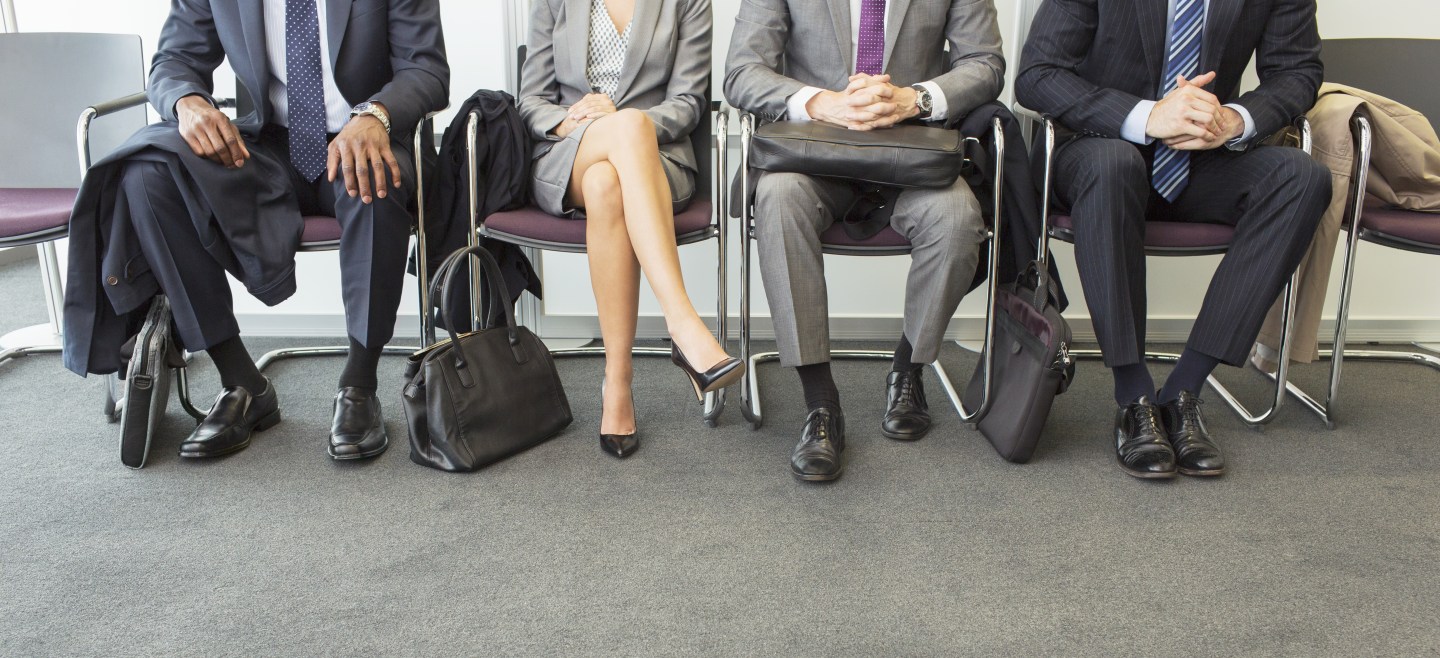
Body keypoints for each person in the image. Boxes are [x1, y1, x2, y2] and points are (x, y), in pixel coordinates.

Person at [63, 0, 449, 461]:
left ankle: (359, 385)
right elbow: (174, 61)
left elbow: (426, 69)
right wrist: (187, 103)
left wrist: (375, 115)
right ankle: (242, 383)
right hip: (265, 145)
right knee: (148, 173)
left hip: (364, 136)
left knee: (373, 183)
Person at [1015, 0, 1330, 479]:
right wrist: (1146, 116)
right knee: (1113, 164)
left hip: (1201, 156)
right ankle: (1133, 395)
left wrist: (1234, 120)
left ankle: (1184, 392)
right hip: (1096, 148)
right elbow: (1038, 74)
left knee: (1302, 179)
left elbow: (1297, 71)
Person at [724, 0, 1005, 481]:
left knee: (958, 217)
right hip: (812, 152)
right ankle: (821, 405)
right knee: (776, 196)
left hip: (911, 155)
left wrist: (912, 99)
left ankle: (908, 369)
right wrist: (821, 102)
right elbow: (742, 71)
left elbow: (985, 63)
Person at [517, 0, 743, 459]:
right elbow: (532, 100)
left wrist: (625, 123)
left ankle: (616, 383)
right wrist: (575, 122)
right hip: (568, 152)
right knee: (608, 155)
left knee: (607, 183)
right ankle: (683, 326)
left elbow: (688, 103)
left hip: (657, 160)